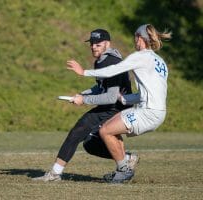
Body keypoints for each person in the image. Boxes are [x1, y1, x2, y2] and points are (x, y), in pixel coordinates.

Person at [67, 24, 172, 183]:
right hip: (158, 111)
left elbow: (112, 70)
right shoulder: (160, 61)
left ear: (139, 38)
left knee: (105, 131)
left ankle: (124, 169)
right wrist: (124, 99)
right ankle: (125, 165)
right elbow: (150, 93)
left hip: (148, 112)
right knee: (109, 128)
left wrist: (84, 72)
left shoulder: (140, 56)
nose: (134, 41)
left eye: (135, 37)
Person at [33, 29, 139, 182]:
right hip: (110, 106)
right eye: (92, 44)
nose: (94, 47)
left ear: (107, 44)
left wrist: (84, 100)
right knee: (90, 145)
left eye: (98, 44)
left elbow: (110, 97)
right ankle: (127, 158)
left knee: (77, 131)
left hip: (116, 107)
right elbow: (101, 87)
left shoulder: (112, 62)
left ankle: (55, 174)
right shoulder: (101, 60)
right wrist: (83, 94)